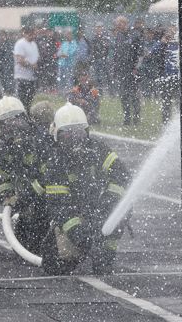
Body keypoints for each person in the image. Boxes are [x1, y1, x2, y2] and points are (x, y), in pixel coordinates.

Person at [40, 103, 130, 275]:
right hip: (73, 219)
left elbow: (122, 176)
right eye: (68, 135)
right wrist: (87, 243)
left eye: (79, 133)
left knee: (124, 208)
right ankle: (89, 252)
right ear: (58, 136)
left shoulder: (98, 149)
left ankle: (107, 258)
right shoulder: (55, 163)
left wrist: (106, 206)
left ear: (86, 133)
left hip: (99, 211)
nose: (75, 139)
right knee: (56, 266)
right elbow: (62, 210)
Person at [0, 96, 52, 254]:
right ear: (0, 128)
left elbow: (48, 178)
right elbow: (0, 176)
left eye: (18, 121)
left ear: (26, 119)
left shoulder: (42, 140)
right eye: (8, 125)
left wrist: (26, 196)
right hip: (29, 202)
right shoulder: (5, 149)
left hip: (50, 200)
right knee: (24, 243)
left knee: (43, 244)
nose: (15, 128)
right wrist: (6, 195)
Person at [112, 16, 143, 126]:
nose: (117, 26)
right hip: (121, 71)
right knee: (123, 96)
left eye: (118, 24)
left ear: (125, 23)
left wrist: (136, 68)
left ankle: (137, 119)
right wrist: (115, 71)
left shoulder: (134, 35)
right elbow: (116, 54)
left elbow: (140, 54)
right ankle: (127, 118)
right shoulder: (119, 36)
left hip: (132, 71)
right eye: (116, 24)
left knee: (134, 96)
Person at [13, 26, 40, 110]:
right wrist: (31, 65)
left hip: (32, 77)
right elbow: (19, 60)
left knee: (29, 100)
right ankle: (21, 117)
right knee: (21, 100)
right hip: (22, 77)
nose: (36, 36)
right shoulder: (20, 43)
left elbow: (37, 57)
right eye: (34, 34)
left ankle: (27, 116)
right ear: (29, 34)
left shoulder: (33, 44)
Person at [56, 30, 78, 96]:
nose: (68, 36)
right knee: (60, 79)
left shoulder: (74, 44)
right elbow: (59, 52)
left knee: (69, 78)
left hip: (69, 64)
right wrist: (61, 54)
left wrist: (66, 54)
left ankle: (69, 92)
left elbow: (72, 53)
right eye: (67, 35)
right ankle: (60, 92)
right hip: (61, 64)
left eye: (69, 34)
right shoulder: (64, 43)